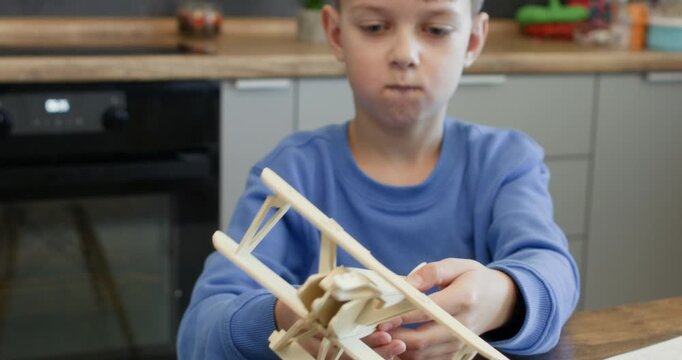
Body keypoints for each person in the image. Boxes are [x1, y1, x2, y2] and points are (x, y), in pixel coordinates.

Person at [177, 0, 580, 358]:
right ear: (336, 34)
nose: (405, 54)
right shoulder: (292, 170)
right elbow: (199, 331)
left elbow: (552, 272)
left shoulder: (506, 161)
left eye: (436, 29)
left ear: (473, 40)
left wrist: (503, 297)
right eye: (374, 27)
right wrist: (284, 318)